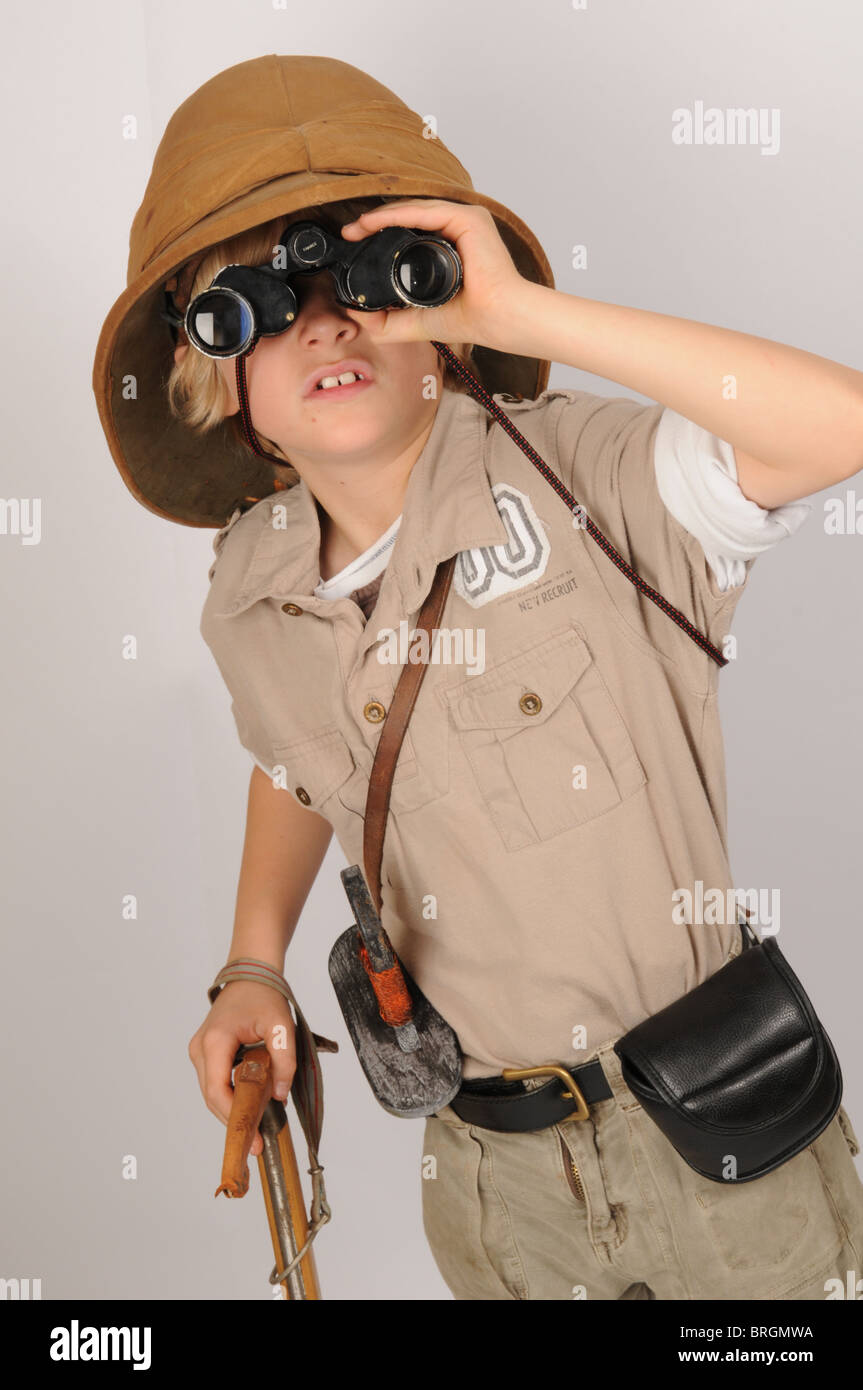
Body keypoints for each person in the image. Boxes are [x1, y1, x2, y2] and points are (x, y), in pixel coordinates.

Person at [93, 54, 863, 1301]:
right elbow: (297, 755)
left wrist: (519, 319)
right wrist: (251, 960)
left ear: (436, 324)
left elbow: (838, 423)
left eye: (357, 275)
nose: (320, 321)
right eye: (254, 300)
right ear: (215, 373)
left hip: (722, 1151)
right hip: (495, 1193)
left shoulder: (592, 484)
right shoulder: (251, 588)